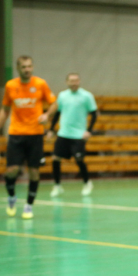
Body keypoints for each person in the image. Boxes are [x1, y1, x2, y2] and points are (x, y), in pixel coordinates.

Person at [1, 56, 57, 219]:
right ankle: (12, 196)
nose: (27, 69)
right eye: (24, 67)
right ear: (18, 68)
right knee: (12, 170)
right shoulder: (10, 86)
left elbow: (54, 103)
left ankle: (29, 206)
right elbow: (5, 110)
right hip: (16, 133)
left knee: (34, 172)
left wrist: (47, 115)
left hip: (35, 134)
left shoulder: (40, 84)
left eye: (29, 66)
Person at [47, 73, 98, 196]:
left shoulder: (87, 96)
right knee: (55, 158)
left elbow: (94, 114)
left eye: (76, 80)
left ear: (79, 81)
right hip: (63, 133)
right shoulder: (62, 96)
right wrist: (51, 129)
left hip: (78, 135)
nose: (74, 83)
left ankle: (87, 183)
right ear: (67, 82)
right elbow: (57, 113)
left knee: (79, 159)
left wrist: (89, 131)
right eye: (71, 81)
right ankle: (57, 185)